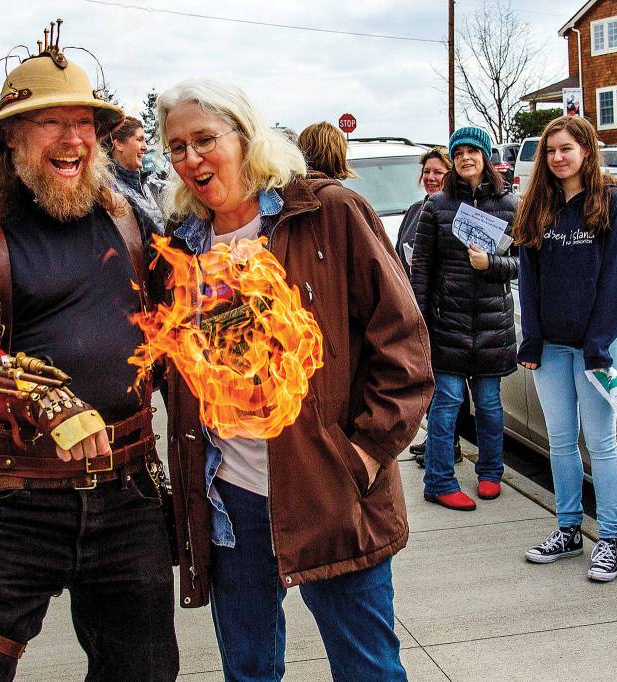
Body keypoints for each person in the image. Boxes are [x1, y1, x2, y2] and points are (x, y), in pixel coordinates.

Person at [156, 78, 433, 681]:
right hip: (229, 501)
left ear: (246, 136)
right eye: (176, 146)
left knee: (368, 670)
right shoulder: (181, 246)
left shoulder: (326, 213)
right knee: (250, 671)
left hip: (328, 489)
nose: (191, 158)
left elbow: (403, 344)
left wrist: (359, 454)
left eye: (205, 139)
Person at [0, 37, 179, 681]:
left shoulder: (129, 221)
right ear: (10, 140)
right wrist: (40, 400)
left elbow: (182, 321)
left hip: (129, 494)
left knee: (143, 673)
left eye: (84, 123)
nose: (73, 140)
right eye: (50, 123)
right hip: (16, 498)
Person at [513, 115, 617, 582]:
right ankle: (568, 529)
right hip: (552, 352)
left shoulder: (610, 203)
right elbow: (530, 280)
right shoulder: (537, 206)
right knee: (561, 443)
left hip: (597, 351)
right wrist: (532, 338)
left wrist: (600, 345)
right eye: (551, 150)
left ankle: (609, 540)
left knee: (601, 443)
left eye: (566, 148)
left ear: (586, 150)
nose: (558, 158)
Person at [411, 126, 518, 512]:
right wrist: (420, 322)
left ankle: (491, 471)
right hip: (447, 323)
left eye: (473, 151)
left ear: (486, 156)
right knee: (448, 402)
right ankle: (438, 481)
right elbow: (420, 268)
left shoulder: (510, 203)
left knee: (489, 403)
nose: (466, 158)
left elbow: (522, 264)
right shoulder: (436, 206)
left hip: (492, 323)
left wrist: (491, 263)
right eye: (459, 153)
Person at [394, 147, 465, 467]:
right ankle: (437, 439)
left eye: (439, 172)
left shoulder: (458, 210)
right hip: (417, 305)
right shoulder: (413, 211)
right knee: (428, 379)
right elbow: (399, 257)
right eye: (428, 172)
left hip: (448, 308)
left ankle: (449, 445)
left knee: (448, 383)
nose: (432, 178)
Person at [109, 115, 165, 235]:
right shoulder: (109, 190)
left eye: (145, 140)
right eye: (139, 140)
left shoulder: (146, 183)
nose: (145, 147)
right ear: (119, 144)